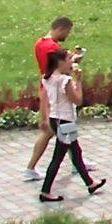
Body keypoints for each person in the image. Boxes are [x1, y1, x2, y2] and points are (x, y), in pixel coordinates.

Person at [37, 46, 104, 203]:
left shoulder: (47, 78)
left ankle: (90, 183)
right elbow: (77, 100)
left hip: (55, 118)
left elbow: (45, 99)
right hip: (65, 121)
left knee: (76, 152)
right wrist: (78, 81)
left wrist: (45, 118)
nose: (71, 62)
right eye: (68, 59)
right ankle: (45, 191)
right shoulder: (64, 80)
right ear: (60, 62)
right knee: (58, 157)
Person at [24, 16, 74, 180]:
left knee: (59, 130)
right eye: (66, 32)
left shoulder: (39, 43)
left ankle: (77, 161)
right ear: (60, 29)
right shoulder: (52, 47)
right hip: (54, 92)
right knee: (55, 129)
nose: (67, 35)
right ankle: (31, 167)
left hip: (48, 88)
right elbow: (59, 69)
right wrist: (72, 62)